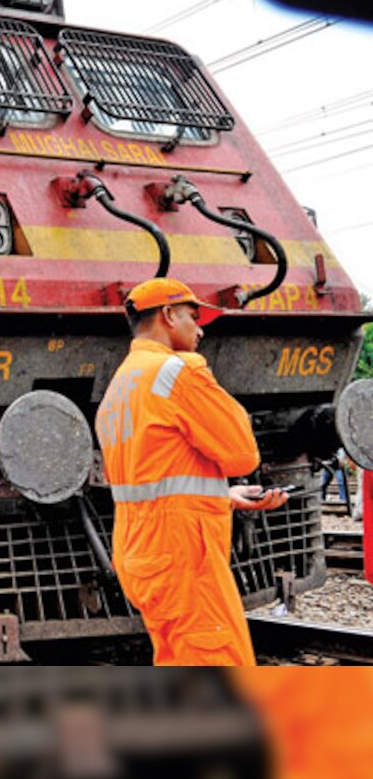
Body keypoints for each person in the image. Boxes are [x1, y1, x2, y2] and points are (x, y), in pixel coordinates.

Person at [94, 278, 288, 667]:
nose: (200, 329)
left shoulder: (121, 385)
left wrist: (223, 496)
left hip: (142, 553)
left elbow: (149, 480)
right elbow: (241, 455)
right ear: (167, 315)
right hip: (183, 556)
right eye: (192, 317)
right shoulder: (178, 371)